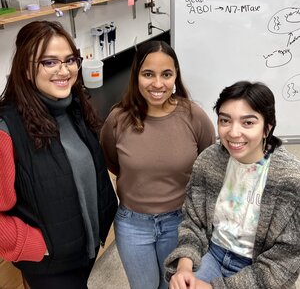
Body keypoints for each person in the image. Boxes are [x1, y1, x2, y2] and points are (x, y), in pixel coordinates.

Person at [0, 20, 118, 289]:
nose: (64, 70)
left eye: (69, 60)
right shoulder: (7, 130)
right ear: (26, 70)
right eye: (49, 62)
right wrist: (33, 244)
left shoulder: (74, 108)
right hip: (49, 266)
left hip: (82, 252)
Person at [100, 40, 215, 289]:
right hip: (132, 223)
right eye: (148, 74)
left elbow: (210, 166)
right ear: (136, 76)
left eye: (166, 74)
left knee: (172, 286)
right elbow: (112, 163)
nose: (158, 84)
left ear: (176, 76)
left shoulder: (194, 116)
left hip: (180, 222)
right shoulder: (118, 119)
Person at [164, 81, 300, 289]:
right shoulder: (208, 161)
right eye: (225, 120)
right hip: (212, 252)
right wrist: (184, 267)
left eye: (248, 123)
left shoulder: (290, 180)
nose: (234, 133)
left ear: (267, 128)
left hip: (257, 268)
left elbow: (283, 262)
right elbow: (193, 221)